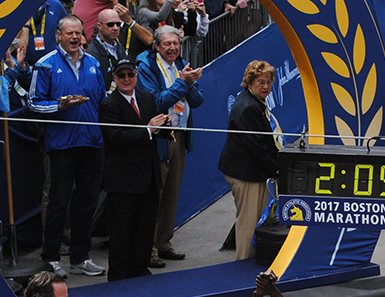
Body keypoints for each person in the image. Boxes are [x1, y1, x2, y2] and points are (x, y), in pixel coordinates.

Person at [30, 14, 108, 277]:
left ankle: (80, 258)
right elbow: (33, 103)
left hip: (91, 142)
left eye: (78, 33)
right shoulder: (45, 65)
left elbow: (101, 100)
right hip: (62, 145)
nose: (75, 37)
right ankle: (51, 258)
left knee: (87, 202)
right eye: (70, 33)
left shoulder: (94, 63)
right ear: (59, 36)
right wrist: (59, 105)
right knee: (58, 203)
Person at [136, 25, 203, 265]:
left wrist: (191, 83)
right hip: (160, 138)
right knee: (156, 194)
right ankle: (149, 247)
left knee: (172, 193)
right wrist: (183, 83)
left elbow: (198, 100)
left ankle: (164, 242)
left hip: (180, 134)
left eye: (176, 44)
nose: (173, 48)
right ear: (156, 46)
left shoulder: (180, 64)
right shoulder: (146, 67)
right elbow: (155, 102)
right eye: (167, 44)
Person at [99, 59, 168, 281]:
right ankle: (120, 273)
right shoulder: (109, 105)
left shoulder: (147, 98)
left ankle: (140, 267)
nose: (127, 79)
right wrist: (149, 130)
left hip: (148, 177)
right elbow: (116, 138)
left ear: (136, 76)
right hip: (123, 180)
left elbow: (159, 129)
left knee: (144, 228)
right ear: (115, 79)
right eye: (122, 76)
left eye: (130, 75)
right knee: (122, 230)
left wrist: (165, 125)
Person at [217, 60, 281, 262]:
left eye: (269, 82)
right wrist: (275, 169)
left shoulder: (253, 102)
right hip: (246, 174)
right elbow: (256, 147)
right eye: (261, 82)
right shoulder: (247, 108)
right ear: (249, 82)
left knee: (255, 219)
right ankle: (243, 266)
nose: (266, 87)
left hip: (252, 171)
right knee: (249, 222)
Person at [87, 7, 129, 92]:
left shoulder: (119, 46)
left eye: (118, 24)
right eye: (110, 24)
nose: (115, 28)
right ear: (99, 26)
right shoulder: (92, 53)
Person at [24, 0, 68, 67]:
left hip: (51, 65)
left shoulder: (55, 5)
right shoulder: (21, 7)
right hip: (25, 65)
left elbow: (67, 30)